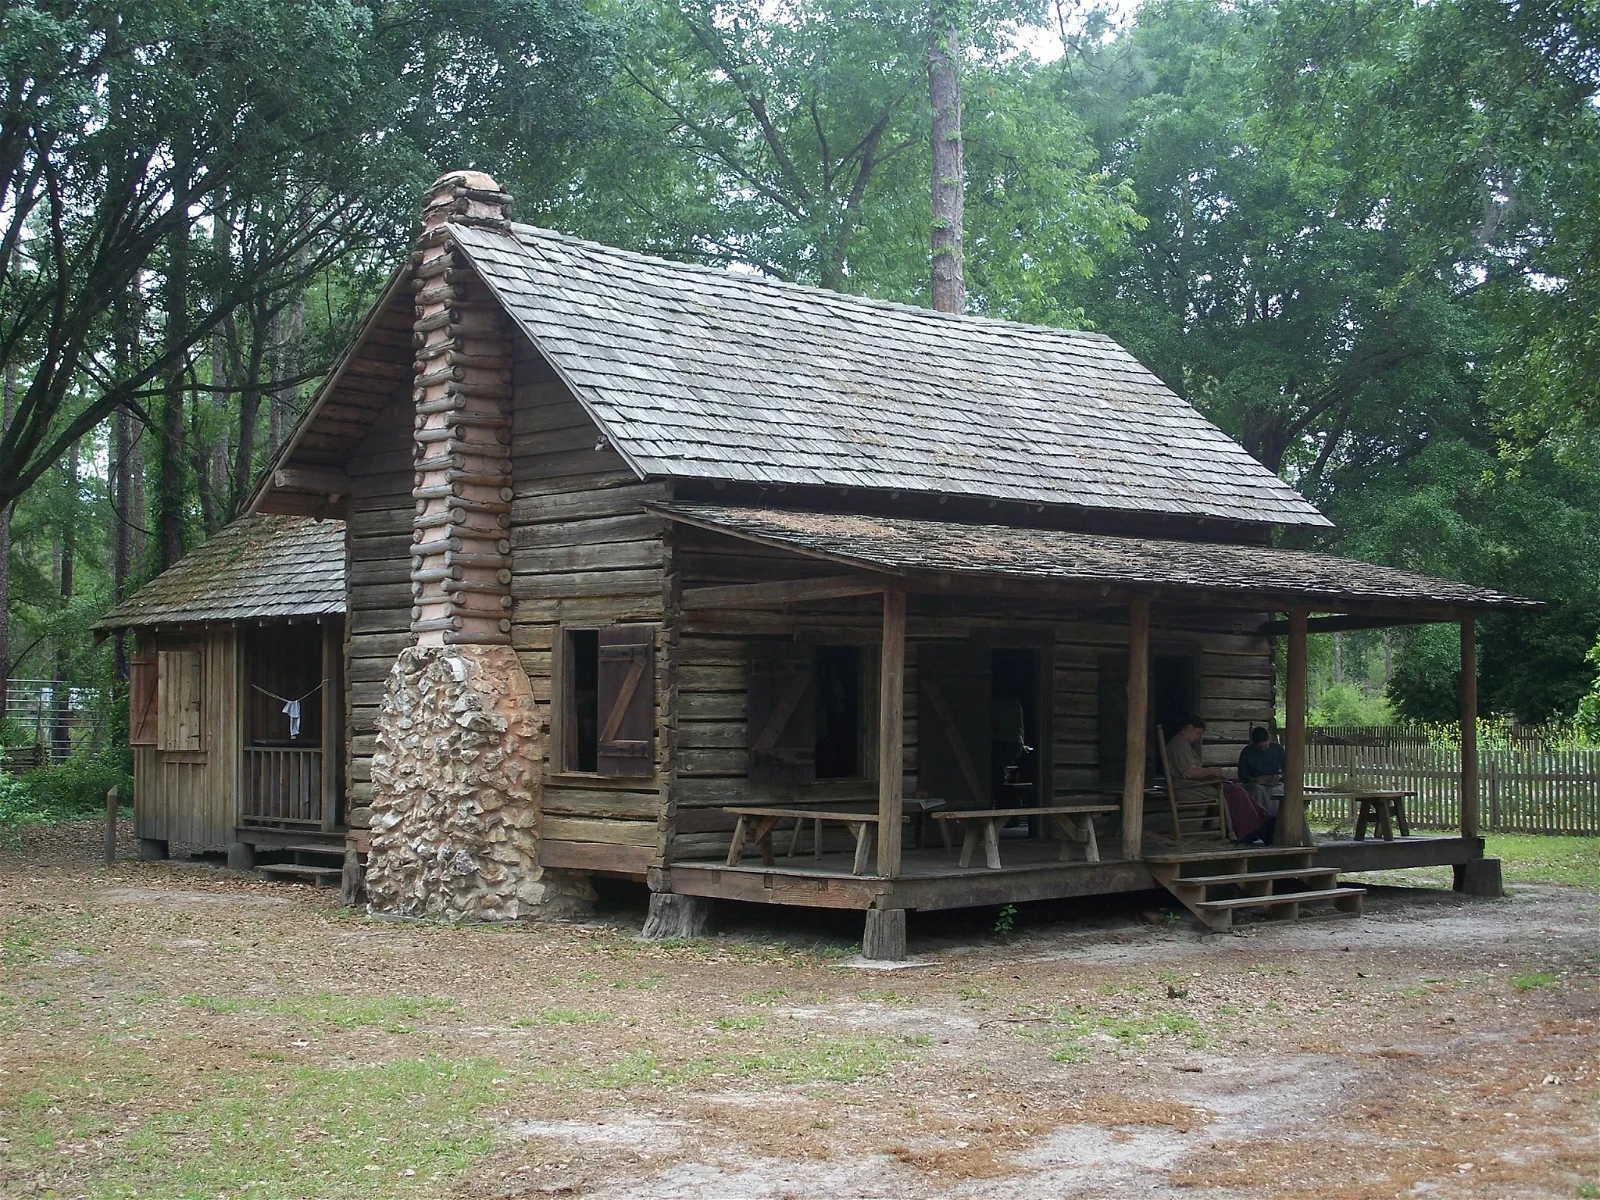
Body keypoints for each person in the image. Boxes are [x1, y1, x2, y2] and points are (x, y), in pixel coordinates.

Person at [1237, 726, 1287, 816]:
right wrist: (1254, 779)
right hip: (1256, 785)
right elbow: (1242, 774)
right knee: (1257, 791)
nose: (1264, 749)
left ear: (1269, 739)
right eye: (1260, 747)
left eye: (1266, 746)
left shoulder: (1278, 749)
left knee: (1279, 791)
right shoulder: (1247, 752)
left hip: (1276, 784)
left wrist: (1280, 776)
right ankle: (1260, 819)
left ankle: (1278, 819)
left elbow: (1288, 769)